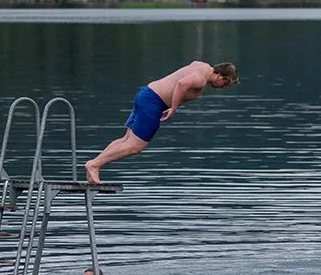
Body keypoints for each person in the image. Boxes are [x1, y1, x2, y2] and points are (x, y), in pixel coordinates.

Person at [85, 60, 239, 183]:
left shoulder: (202, 66)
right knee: (135, 146)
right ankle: (94, 165)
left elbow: (184, 74)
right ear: (220, 76)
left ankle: (94, 163)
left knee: (126, 139)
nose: (222, 88)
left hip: (146, 93)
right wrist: (173, 107)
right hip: (153, 102)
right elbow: (181, 84)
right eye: (225, 84)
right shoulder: (200, 79)